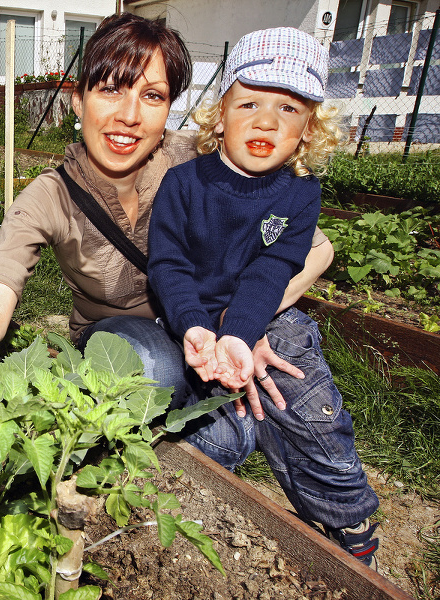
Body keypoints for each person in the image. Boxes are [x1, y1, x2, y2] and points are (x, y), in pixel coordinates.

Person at [0, 14, 372, 564]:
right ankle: (125, 467)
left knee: (246, 419)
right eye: (111, 90)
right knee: (149, 364)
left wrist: (247, 322)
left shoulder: (198, 158)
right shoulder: (46, 199)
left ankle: (318, 504)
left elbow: (313, 250)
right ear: (77, 99)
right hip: (125, 343)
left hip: (210, 334)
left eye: (152, 96)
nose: (129, 116)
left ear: (171, 107)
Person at [147, 27, 380, 566]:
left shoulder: (302, 195)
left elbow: (272, 270)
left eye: (290, 108)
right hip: (191, 326)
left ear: (308, 129)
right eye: (249, 102)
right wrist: (200, 331)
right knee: (213, 436)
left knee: (299, 394)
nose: (267, 120)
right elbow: (169, 266)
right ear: (220, 113)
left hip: (264, 318)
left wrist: (244, 332)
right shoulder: (184, 185)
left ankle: (346, 517)